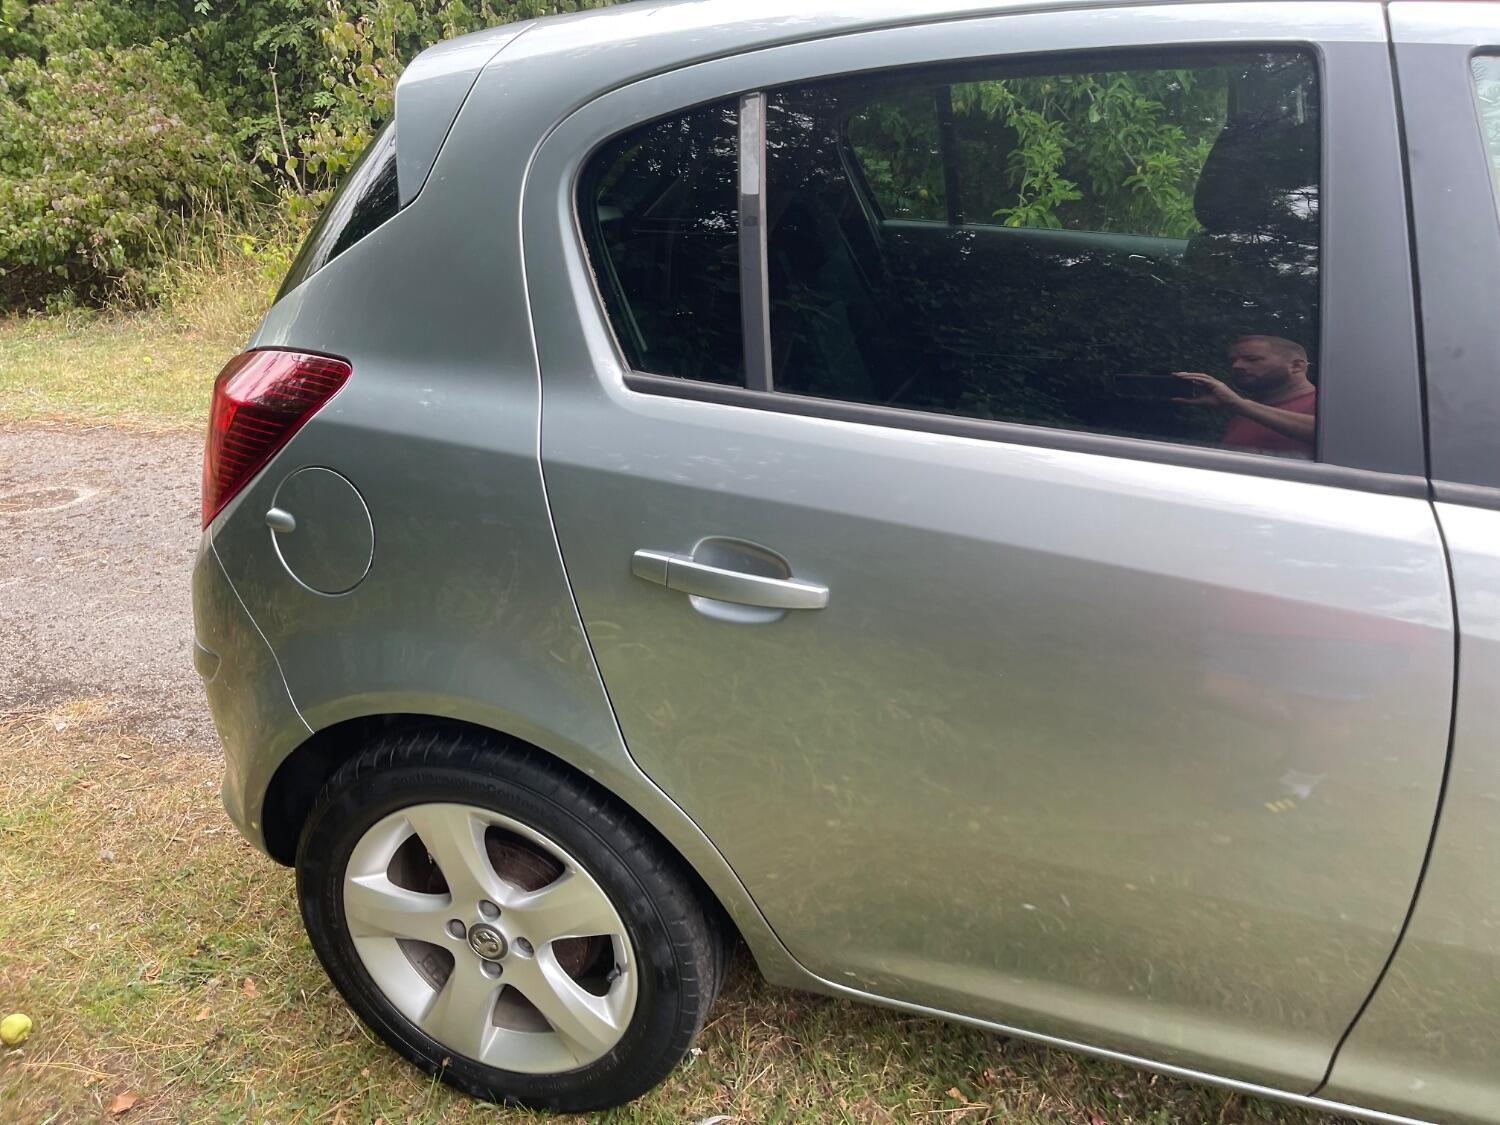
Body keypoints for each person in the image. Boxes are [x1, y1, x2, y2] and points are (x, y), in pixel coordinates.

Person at [1173, 335, 1316, 457]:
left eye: (1252, 359)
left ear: (1296, 366)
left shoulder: (1325, 402)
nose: (1237, 366)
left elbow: (1331, 436)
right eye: (1232, 361)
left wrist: (1238, 404)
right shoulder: (1247, 410)